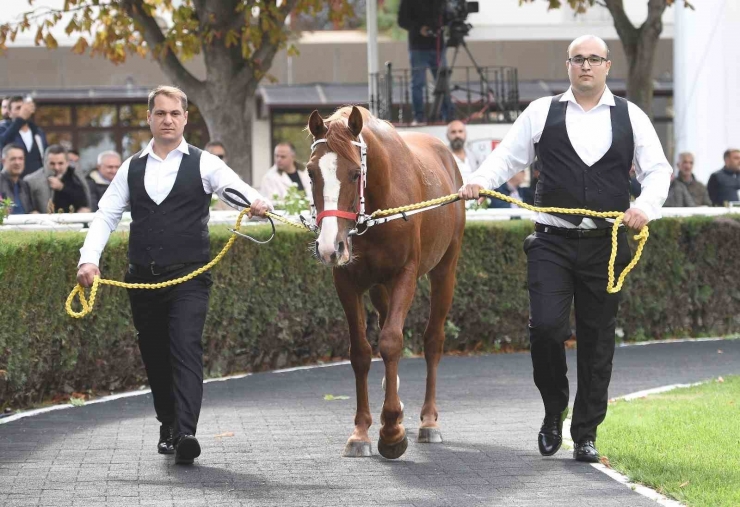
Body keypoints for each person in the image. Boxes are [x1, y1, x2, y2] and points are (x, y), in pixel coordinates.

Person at [459, 35, 671, 463]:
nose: (586, 66)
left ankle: (586, 432)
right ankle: (554, 409)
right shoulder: (541, 112)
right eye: (579, 59)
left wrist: (645, 207)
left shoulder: (632, 117)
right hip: (551, 243)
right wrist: (480, 181)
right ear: (568, 65)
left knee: (597, 341)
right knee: (546, 331)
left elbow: (658, 170)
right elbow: (507, 159)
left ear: (608, 65)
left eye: (594, 59)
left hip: (606, 246)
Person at [76, 85, 272, 466]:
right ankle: (168, 423)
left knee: (185, 347)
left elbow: (236, 190)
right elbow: (106, 215)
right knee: (154, 355)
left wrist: (257, 203)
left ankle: (185, 432)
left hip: (189, 279)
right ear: (149, 118)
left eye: (175, 114)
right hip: (142, 279)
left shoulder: (204, 163)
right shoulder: (131, 167)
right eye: (160, 113)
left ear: (185, 118)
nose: (168, 120)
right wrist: (89, 259)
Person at [397, 0, 452, 124]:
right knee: (418, 83)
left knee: (443, 82)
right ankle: (419, 117)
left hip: (438, 46)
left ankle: (448, 115)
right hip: (418, 47)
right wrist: (419, 29)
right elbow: (402, 21)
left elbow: (447, 18)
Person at [25, 144, 91, 213]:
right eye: (52, 164)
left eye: (60, 163)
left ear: (67, 163)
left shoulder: (74, 176)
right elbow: (27, 204)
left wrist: (62, 187)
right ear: (45, 162)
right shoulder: (33, 180)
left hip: (72, 220)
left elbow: (84, 200)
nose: (56, 168)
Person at [0, 96, 48, 177]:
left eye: (24, 108)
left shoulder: (38, 132)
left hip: (35, 181)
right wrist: (20, 119)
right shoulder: (3, 128)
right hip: (12, 181)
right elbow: (3, 142)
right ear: (10, 113)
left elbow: (45, 155)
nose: (23, 111)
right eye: (18, 108)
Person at [0, 144, 33, 214]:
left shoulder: (24, 185)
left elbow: (30, 211)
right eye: (13, 159)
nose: (17, 162)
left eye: (20, 159)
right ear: (3, 161)